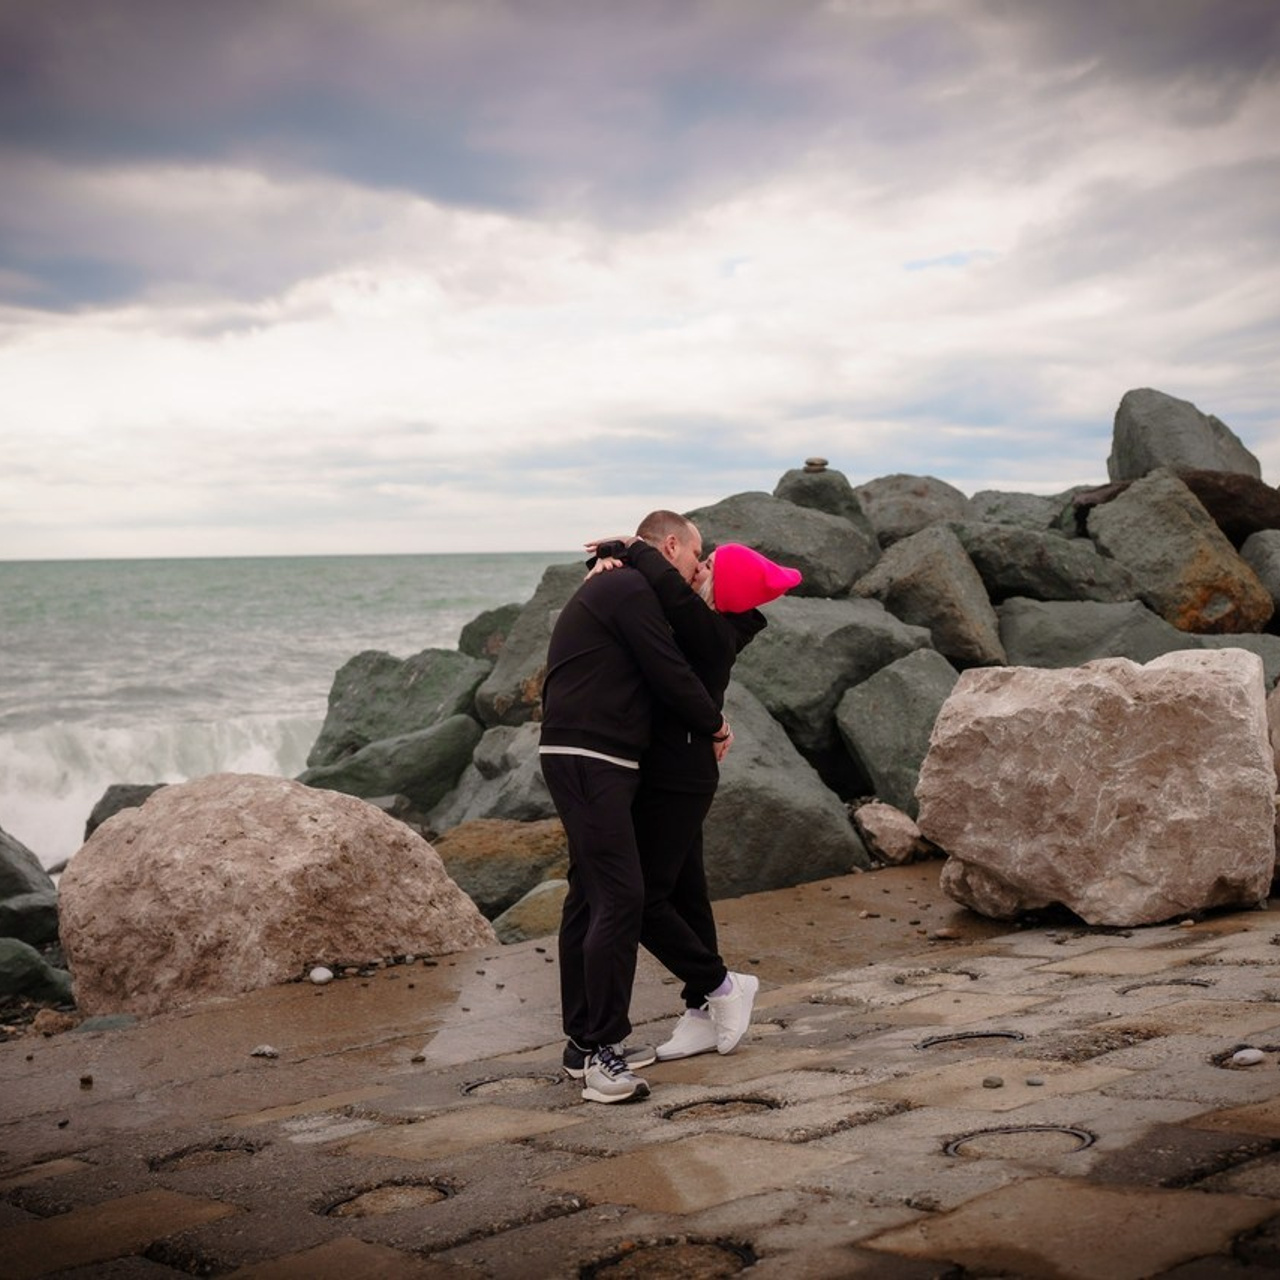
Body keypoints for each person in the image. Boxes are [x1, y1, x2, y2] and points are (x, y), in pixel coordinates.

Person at [538, 510, 730, 1104]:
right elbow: (666, 669)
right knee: (622, 894)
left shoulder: (619, 579)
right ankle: (602, 1055)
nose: (696, 573)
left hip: (591, 753)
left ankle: (579, 1047)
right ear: (670, 545)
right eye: (695, 560)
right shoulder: (624, 585)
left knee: (590, 893)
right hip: (589, 754)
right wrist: (715, 722)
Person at [588, 532, 802, 1061]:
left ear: (724, 587)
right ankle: (700, 1010)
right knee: (687, 893)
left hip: (678, 778)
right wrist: (609, 558)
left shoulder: (712, 631)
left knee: (642, 900)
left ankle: (722, 985)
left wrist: (633, 547)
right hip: (675, 773)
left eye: (707, 565)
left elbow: (666, 587)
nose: (697, 570)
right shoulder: (712, 622)